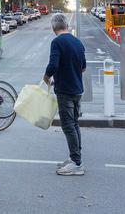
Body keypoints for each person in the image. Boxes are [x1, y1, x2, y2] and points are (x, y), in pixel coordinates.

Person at [43, 13, 86, 176]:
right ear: (66, 25)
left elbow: (53, 64)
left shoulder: (57, 42)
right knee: (74, 124)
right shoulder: (77, 42)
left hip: (65, 90)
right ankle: (76, 158)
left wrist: (47, 77)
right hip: (77, 89)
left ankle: (76, 163)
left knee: (68, 126)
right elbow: (83, 67)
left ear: (54, 27)